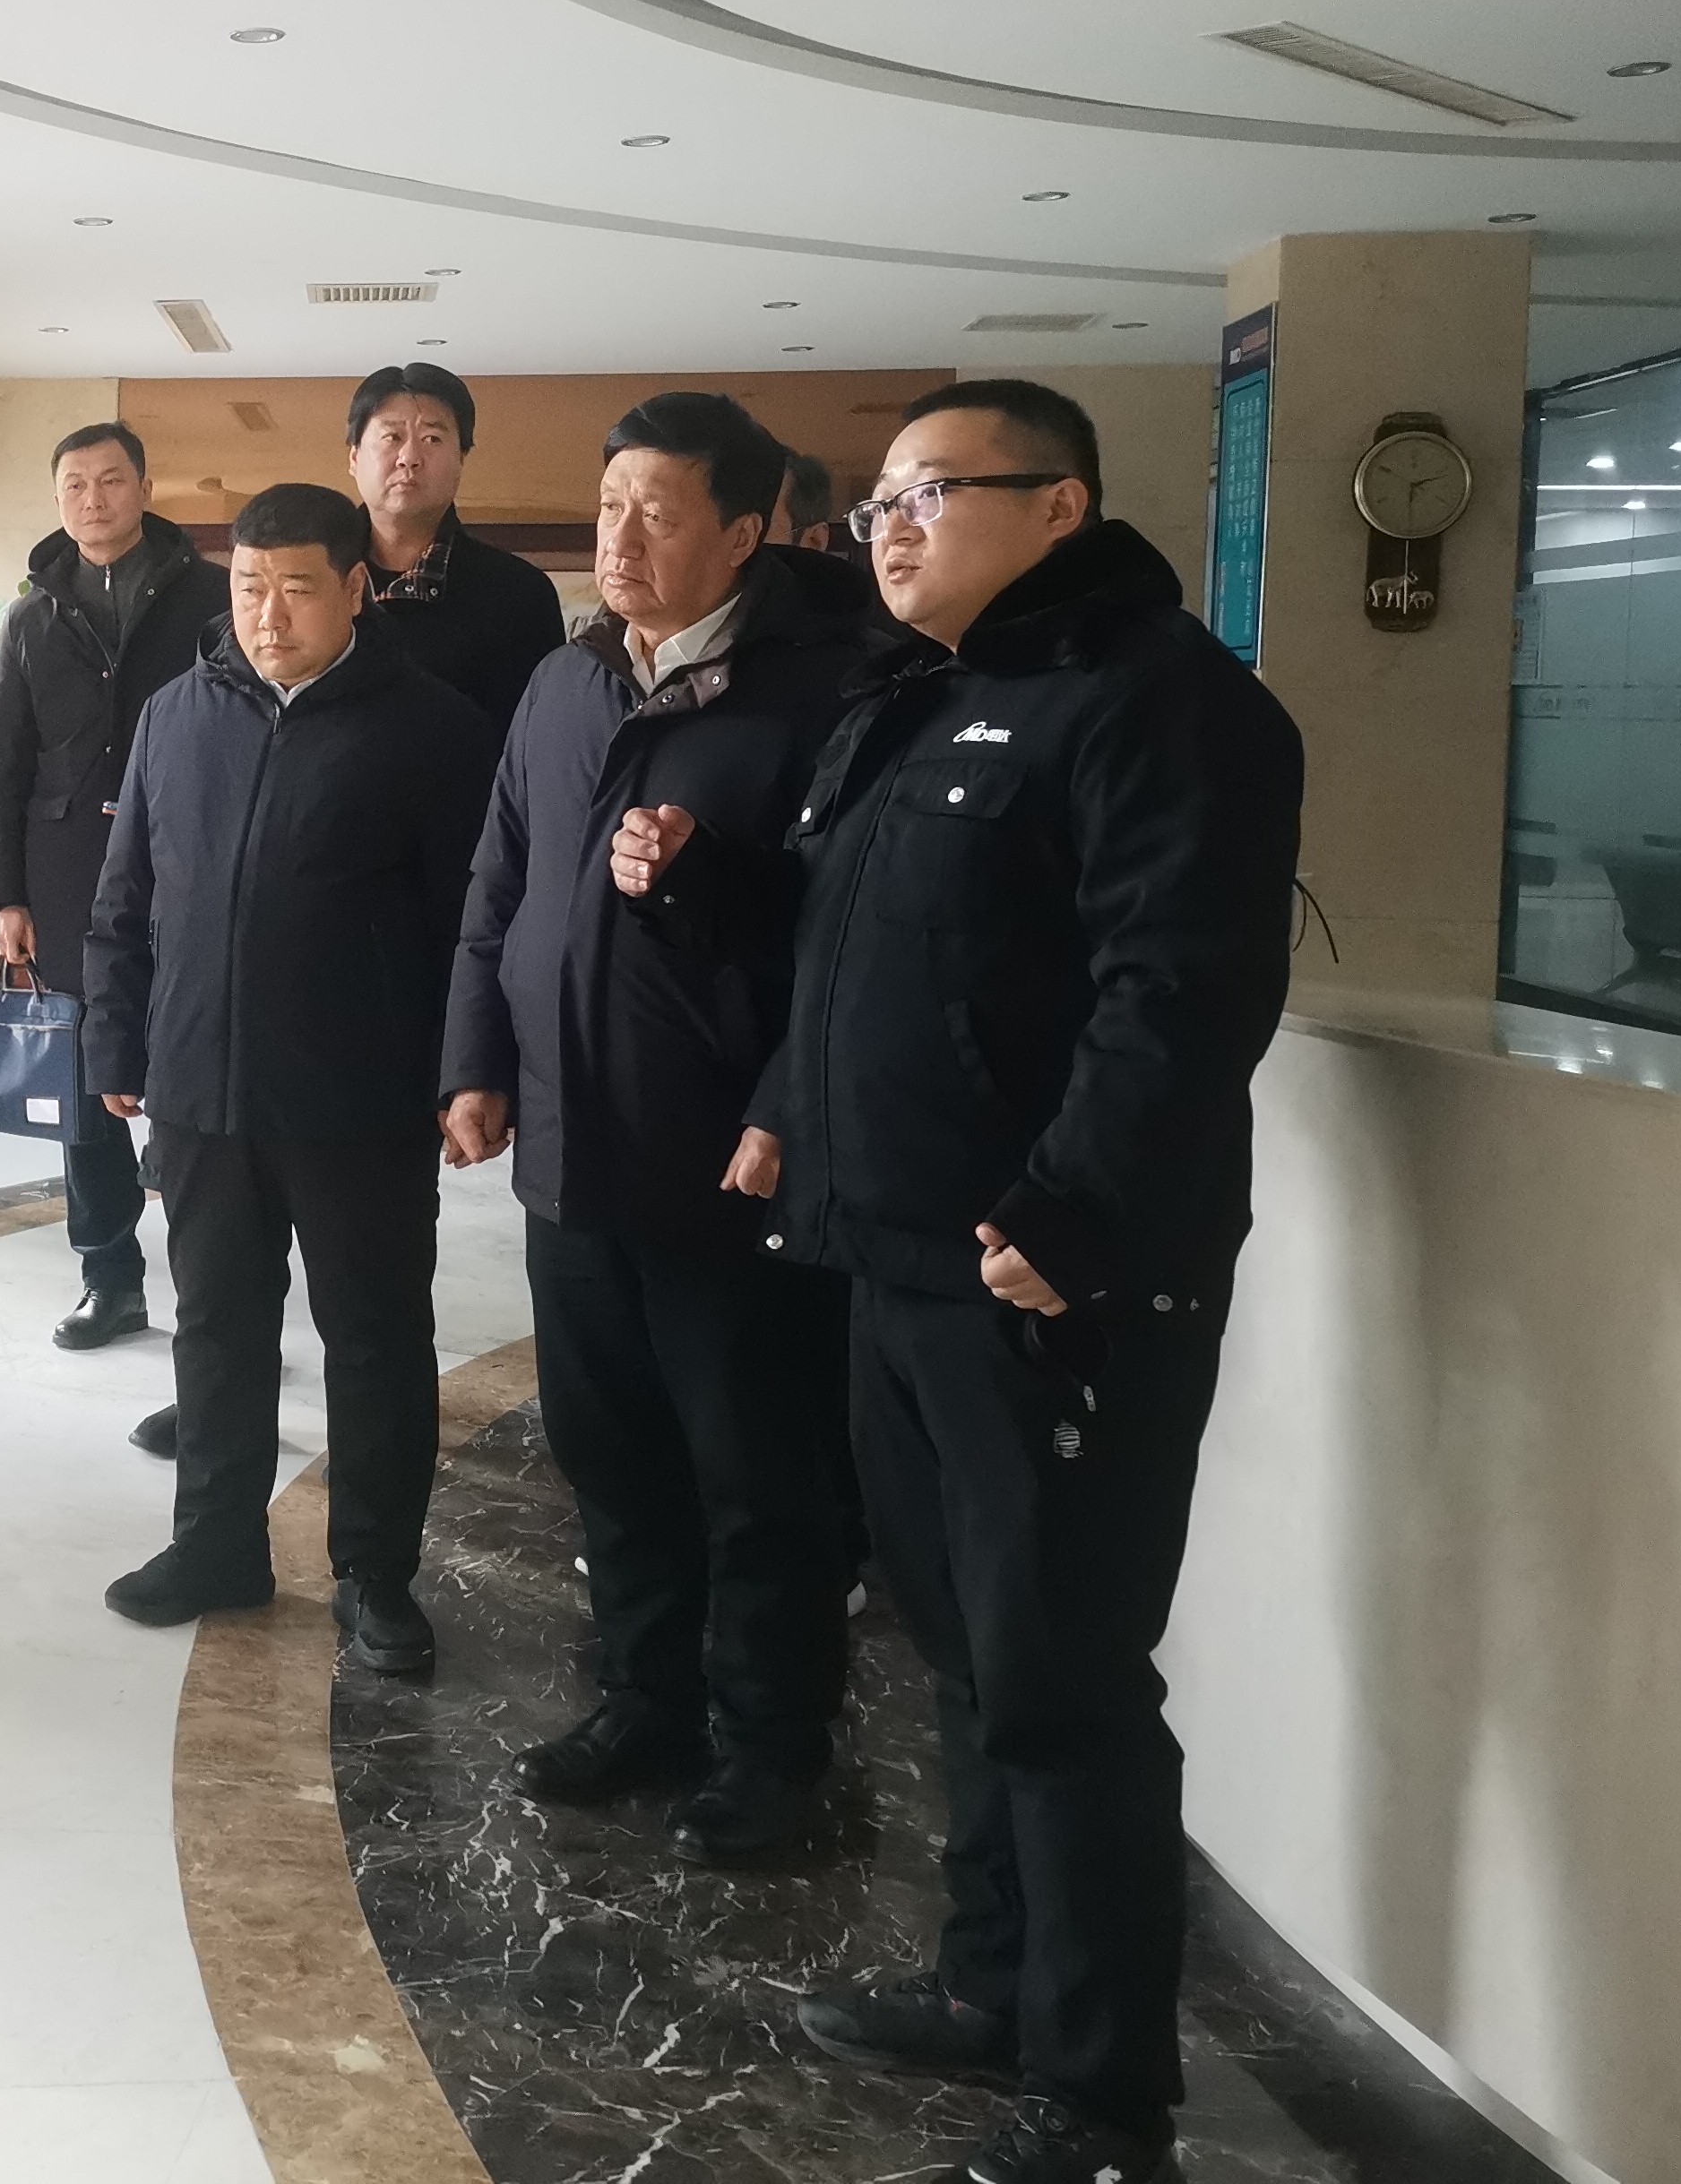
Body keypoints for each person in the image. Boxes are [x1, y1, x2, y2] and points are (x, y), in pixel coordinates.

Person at [616, 380, 1303, 2184]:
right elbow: (846, 957)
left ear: (1060, 505)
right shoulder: (917, 697)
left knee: (1062, 1680)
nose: (891, 527)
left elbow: (1180, 991)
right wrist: (776, 1085)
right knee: (962, 1654)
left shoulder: (1161, 703)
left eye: (934, 491)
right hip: (895, 1260)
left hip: (1049, 1285)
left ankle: (1101, 2100)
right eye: (880, 501)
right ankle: (991, 1981)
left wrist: (1069, 1211)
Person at [438, 391, 873, 1865]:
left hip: (728, 1160)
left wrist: (785, 1104)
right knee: (609, 1453)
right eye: (610, 505)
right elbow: (500, 881)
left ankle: (772, 1750)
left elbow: (852, 943)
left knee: (757, 1476)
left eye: (659, 513)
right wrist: (476, 1058)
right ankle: (647, 1702)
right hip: (574, 1147)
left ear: (745, 533)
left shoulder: (828, 693)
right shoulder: (567, 682)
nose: (620, 538)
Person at [82, 482, 498, 1672]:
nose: (268, 615)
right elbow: (125, 898)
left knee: (374, 1338)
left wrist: (465, 1071)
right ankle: (216, 1542)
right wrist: (118, 1044)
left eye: (298, 588)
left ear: (357, 589)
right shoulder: (176, 715)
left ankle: (375, 1574)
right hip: (200, 1089)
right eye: (249, 588)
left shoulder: (432, 730)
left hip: (360, 1099)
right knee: (216, 1328)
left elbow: (475, 925)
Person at [0, 422, 231, 1349]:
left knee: (194, 1079)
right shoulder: (30, 616)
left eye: (111, 480)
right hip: (66, 879)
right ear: (59, 501)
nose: (93, 499)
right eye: (75, 485)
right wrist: (4, 894)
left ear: (145, 487)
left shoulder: (211, 596)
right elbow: (4, 765)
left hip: (189, 865)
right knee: (85, 1090)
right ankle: (108, 1277)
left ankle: (216, 1291)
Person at [346, 360, 570, 727]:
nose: (409, 458)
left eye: (432, 439)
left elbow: (533, 740)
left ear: (462, 458)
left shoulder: (519, 595)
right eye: (392, 437)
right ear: (355, 457)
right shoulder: (312, 579)